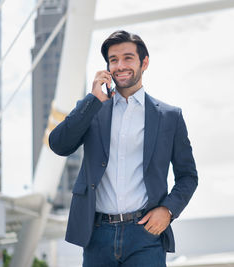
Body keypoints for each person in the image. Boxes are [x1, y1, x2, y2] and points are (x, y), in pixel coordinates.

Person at [49, 30, 198, 266]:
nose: (120, 65)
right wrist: (92, 100)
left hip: (145, 235)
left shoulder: (169, 117)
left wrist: (168, 211)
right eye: (113, 60)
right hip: (97, 234)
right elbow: (59, 144)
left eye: (128, 58)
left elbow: (188, 176)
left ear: (144, 62)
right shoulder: (94, 109)